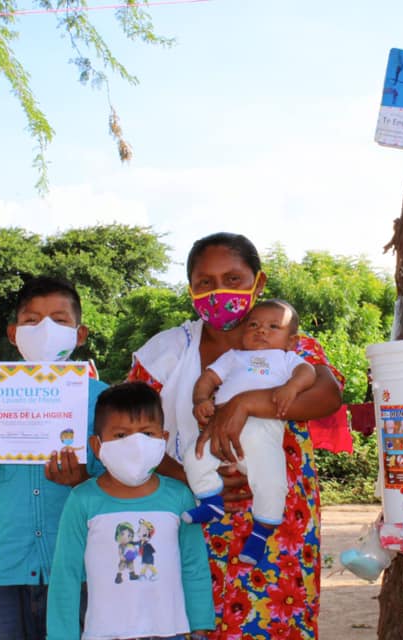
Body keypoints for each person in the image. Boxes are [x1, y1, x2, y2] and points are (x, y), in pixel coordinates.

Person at [128, 232, 342, 640]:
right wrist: (187, 478)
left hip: (280, 525)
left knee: (274, 625)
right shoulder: (166, 352)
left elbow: (327, 394)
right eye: (205, 282)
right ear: (190, 289)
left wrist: (246, 403)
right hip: (193, 516)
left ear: (258, 283)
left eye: (233, 278)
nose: (219, 290)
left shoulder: (288, 346)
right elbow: (131, 430)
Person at [0, 276, 109, 639]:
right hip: (4, 569)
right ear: (14, 333)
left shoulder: (104, 402)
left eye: (59, 320)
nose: (45, 329)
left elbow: (123, 487)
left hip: (78, 573)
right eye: (32, 321)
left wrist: (82, 483)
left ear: (80, 333)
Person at [46, 382, 215, 640]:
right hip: (104, 634)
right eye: (121, 435)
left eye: (147, 434)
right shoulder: (82, 500)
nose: (136, 444)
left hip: (170, 633)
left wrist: (200, 626)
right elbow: (65, 574)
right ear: (97, 445)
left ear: (163, 439)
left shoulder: (179, 496)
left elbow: (193, 565)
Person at [183, 299, 317, 565]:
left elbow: (308, 372)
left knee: (272, 483)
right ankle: (210, 500)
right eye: (253, 325)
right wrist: (200, 400)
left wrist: (291, 388)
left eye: (273, 327)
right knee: (194, 455)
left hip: (261, 432)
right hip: (219, 431)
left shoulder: (286, 358)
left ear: (291, 341)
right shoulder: (234, 357)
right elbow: (208, 379)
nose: (261, 331)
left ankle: (260, 533)